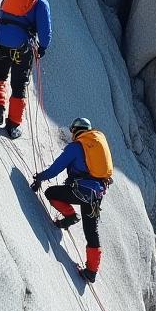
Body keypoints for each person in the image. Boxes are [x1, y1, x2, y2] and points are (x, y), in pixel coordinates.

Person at [30, 118, 113, 283]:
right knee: (91, 230)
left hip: (79, 191)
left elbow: (55, 169)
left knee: (51, 193)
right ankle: (91, 272)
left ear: (76, 131)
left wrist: (40, 177)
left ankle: (69, 216)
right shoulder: (97, 143)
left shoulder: (76, 147)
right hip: (96, 194)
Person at [0, 0, 53, 139]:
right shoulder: (41, 1)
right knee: (19, 85)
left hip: (0, 39)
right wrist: (42, 47)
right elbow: (45, 31)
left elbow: (2, 9)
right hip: (22, 46)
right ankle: (13, 125)